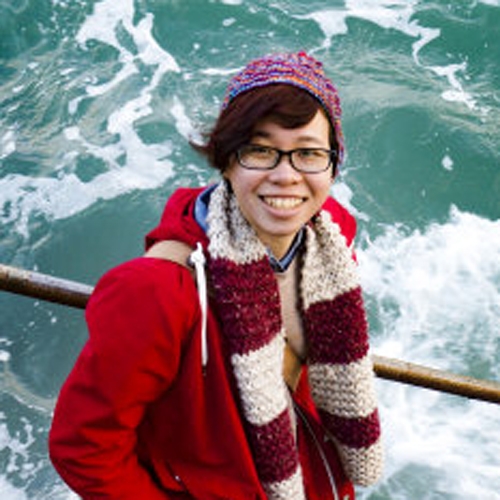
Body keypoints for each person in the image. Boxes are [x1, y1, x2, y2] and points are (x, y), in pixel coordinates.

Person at [49, 51, 383, 499]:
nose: (286, 175)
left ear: (333, 164)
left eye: (308, 153)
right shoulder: (156, 291)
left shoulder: (330, 241)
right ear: (226, 160)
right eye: (260, 151)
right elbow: (83, 447)